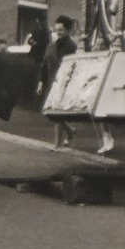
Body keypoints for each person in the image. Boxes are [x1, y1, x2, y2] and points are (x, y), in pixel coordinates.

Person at [36, 15, 80, 150]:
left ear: (67, 30)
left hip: (64, 83)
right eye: (56, 30)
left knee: (57, 112)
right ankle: (70, 131)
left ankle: (57, 144)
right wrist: (40, 83)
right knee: (51, 113)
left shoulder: (71, 46)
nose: (58, 32)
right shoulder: (51, 46)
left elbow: (73, 65)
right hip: (50, 82)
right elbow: (44, 65)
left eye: (61, 30)